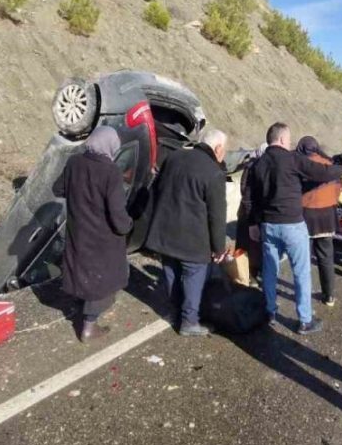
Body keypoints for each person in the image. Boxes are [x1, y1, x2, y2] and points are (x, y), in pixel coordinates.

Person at [246, 123, 342, 334]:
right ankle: (304, 320)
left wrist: (252, 224)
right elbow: (321, 172)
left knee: (269, 270)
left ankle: (270, 312)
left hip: (268, 225)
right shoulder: (292, 159)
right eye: (290, 139)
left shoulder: (257, 164)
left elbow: (249, 197)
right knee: (301, 272)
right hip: (292, 224)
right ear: (284, 140)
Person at [144, 129, 230, 336]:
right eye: (224, 150)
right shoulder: (213, 173)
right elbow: (216, 215)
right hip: (192, 239)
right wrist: (219, 248)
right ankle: (189, 322)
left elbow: (156, 190)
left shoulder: (174, 157)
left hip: (164, 232)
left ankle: (174, 312)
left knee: (171, 272)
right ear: (218, 149)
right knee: (193, 276)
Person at [53, 126, 133, 342]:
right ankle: (89, 326)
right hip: (102, 238)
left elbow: (58, 189)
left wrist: (82, 198)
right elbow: (117, 213)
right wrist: (127, 225)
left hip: (79, 230)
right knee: (101, 280)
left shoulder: (74, 162)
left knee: (82, 271)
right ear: (110, 145)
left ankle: (80, 305)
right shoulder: (110, 171)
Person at [296, 136, 342, 307]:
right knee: (326, 257)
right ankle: (329, 296)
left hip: (305, 215)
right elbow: (338, 188)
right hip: (327, 216)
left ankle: (304, 295)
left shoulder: (300, 164)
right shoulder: (329, 163)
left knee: (304, 258)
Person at [235, 143, 269, 280]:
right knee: (247, 245)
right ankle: (245, 274)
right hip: (248, 213)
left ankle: (251, 272)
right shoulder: (252, 167)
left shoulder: (257, 167)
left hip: (252, 212)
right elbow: (245, 191)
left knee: (253, 245)